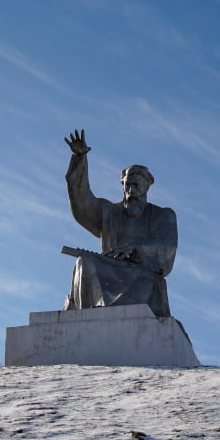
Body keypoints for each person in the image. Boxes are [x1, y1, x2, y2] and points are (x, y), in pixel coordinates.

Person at [63, 128, 177, 318]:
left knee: (145, 283)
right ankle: (84, 319)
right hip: (108, 269)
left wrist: (136, 247)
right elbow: (82, 205)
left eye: (136, 185)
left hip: (141, 274)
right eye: (127, 185)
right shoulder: (109, 211)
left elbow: (168, 249)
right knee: (84, 262)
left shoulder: (163, 215)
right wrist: (79, 159)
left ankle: (107, 318)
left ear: (147, 186)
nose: (131, 191)